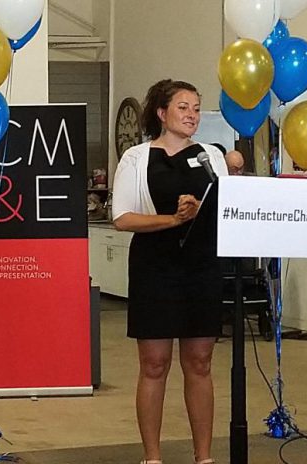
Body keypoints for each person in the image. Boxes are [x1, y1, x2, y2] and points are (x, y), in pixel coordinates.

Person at [111, 79, 228, 464]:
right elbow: (123, 218)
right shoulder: (137, 157)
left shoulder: (212, 154)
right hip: (155, 267)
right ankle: (153, 456)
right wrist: (173, 219)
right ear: (162, 113)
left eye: (196, 108)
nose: (192, 114)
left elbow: (228, 209)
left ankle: (204, 456)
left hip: (202, 266)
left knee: (199, 362)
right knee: (155, 364)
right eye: (183, 107)